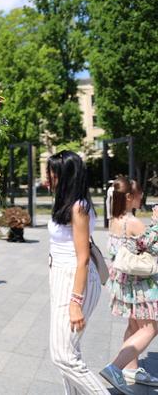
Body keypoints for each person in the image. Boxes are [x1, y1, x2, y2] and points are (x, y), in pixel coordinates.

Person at [47, 151, 108, 393]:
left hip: (75, 280)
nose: (49, 176)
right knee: (68, 354)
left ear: (66, 175)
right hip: (61, 277)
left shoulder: (79, 207)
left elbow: (83, 258)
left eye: (53, 172)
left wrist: (75, 302)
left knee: (64, 357)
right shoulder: (68, 203)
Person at [100, 176, 158, 392]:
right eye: (139, 193)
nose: (142, 196)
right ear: (128, 197)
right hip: (140, 285)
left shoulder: (115, 218)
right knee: (151, 328)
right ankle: (116, 367)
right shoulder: (133, 222)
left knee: (134, 326)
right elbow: (152, 247)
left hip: (124, 283)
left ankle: (131, 369)